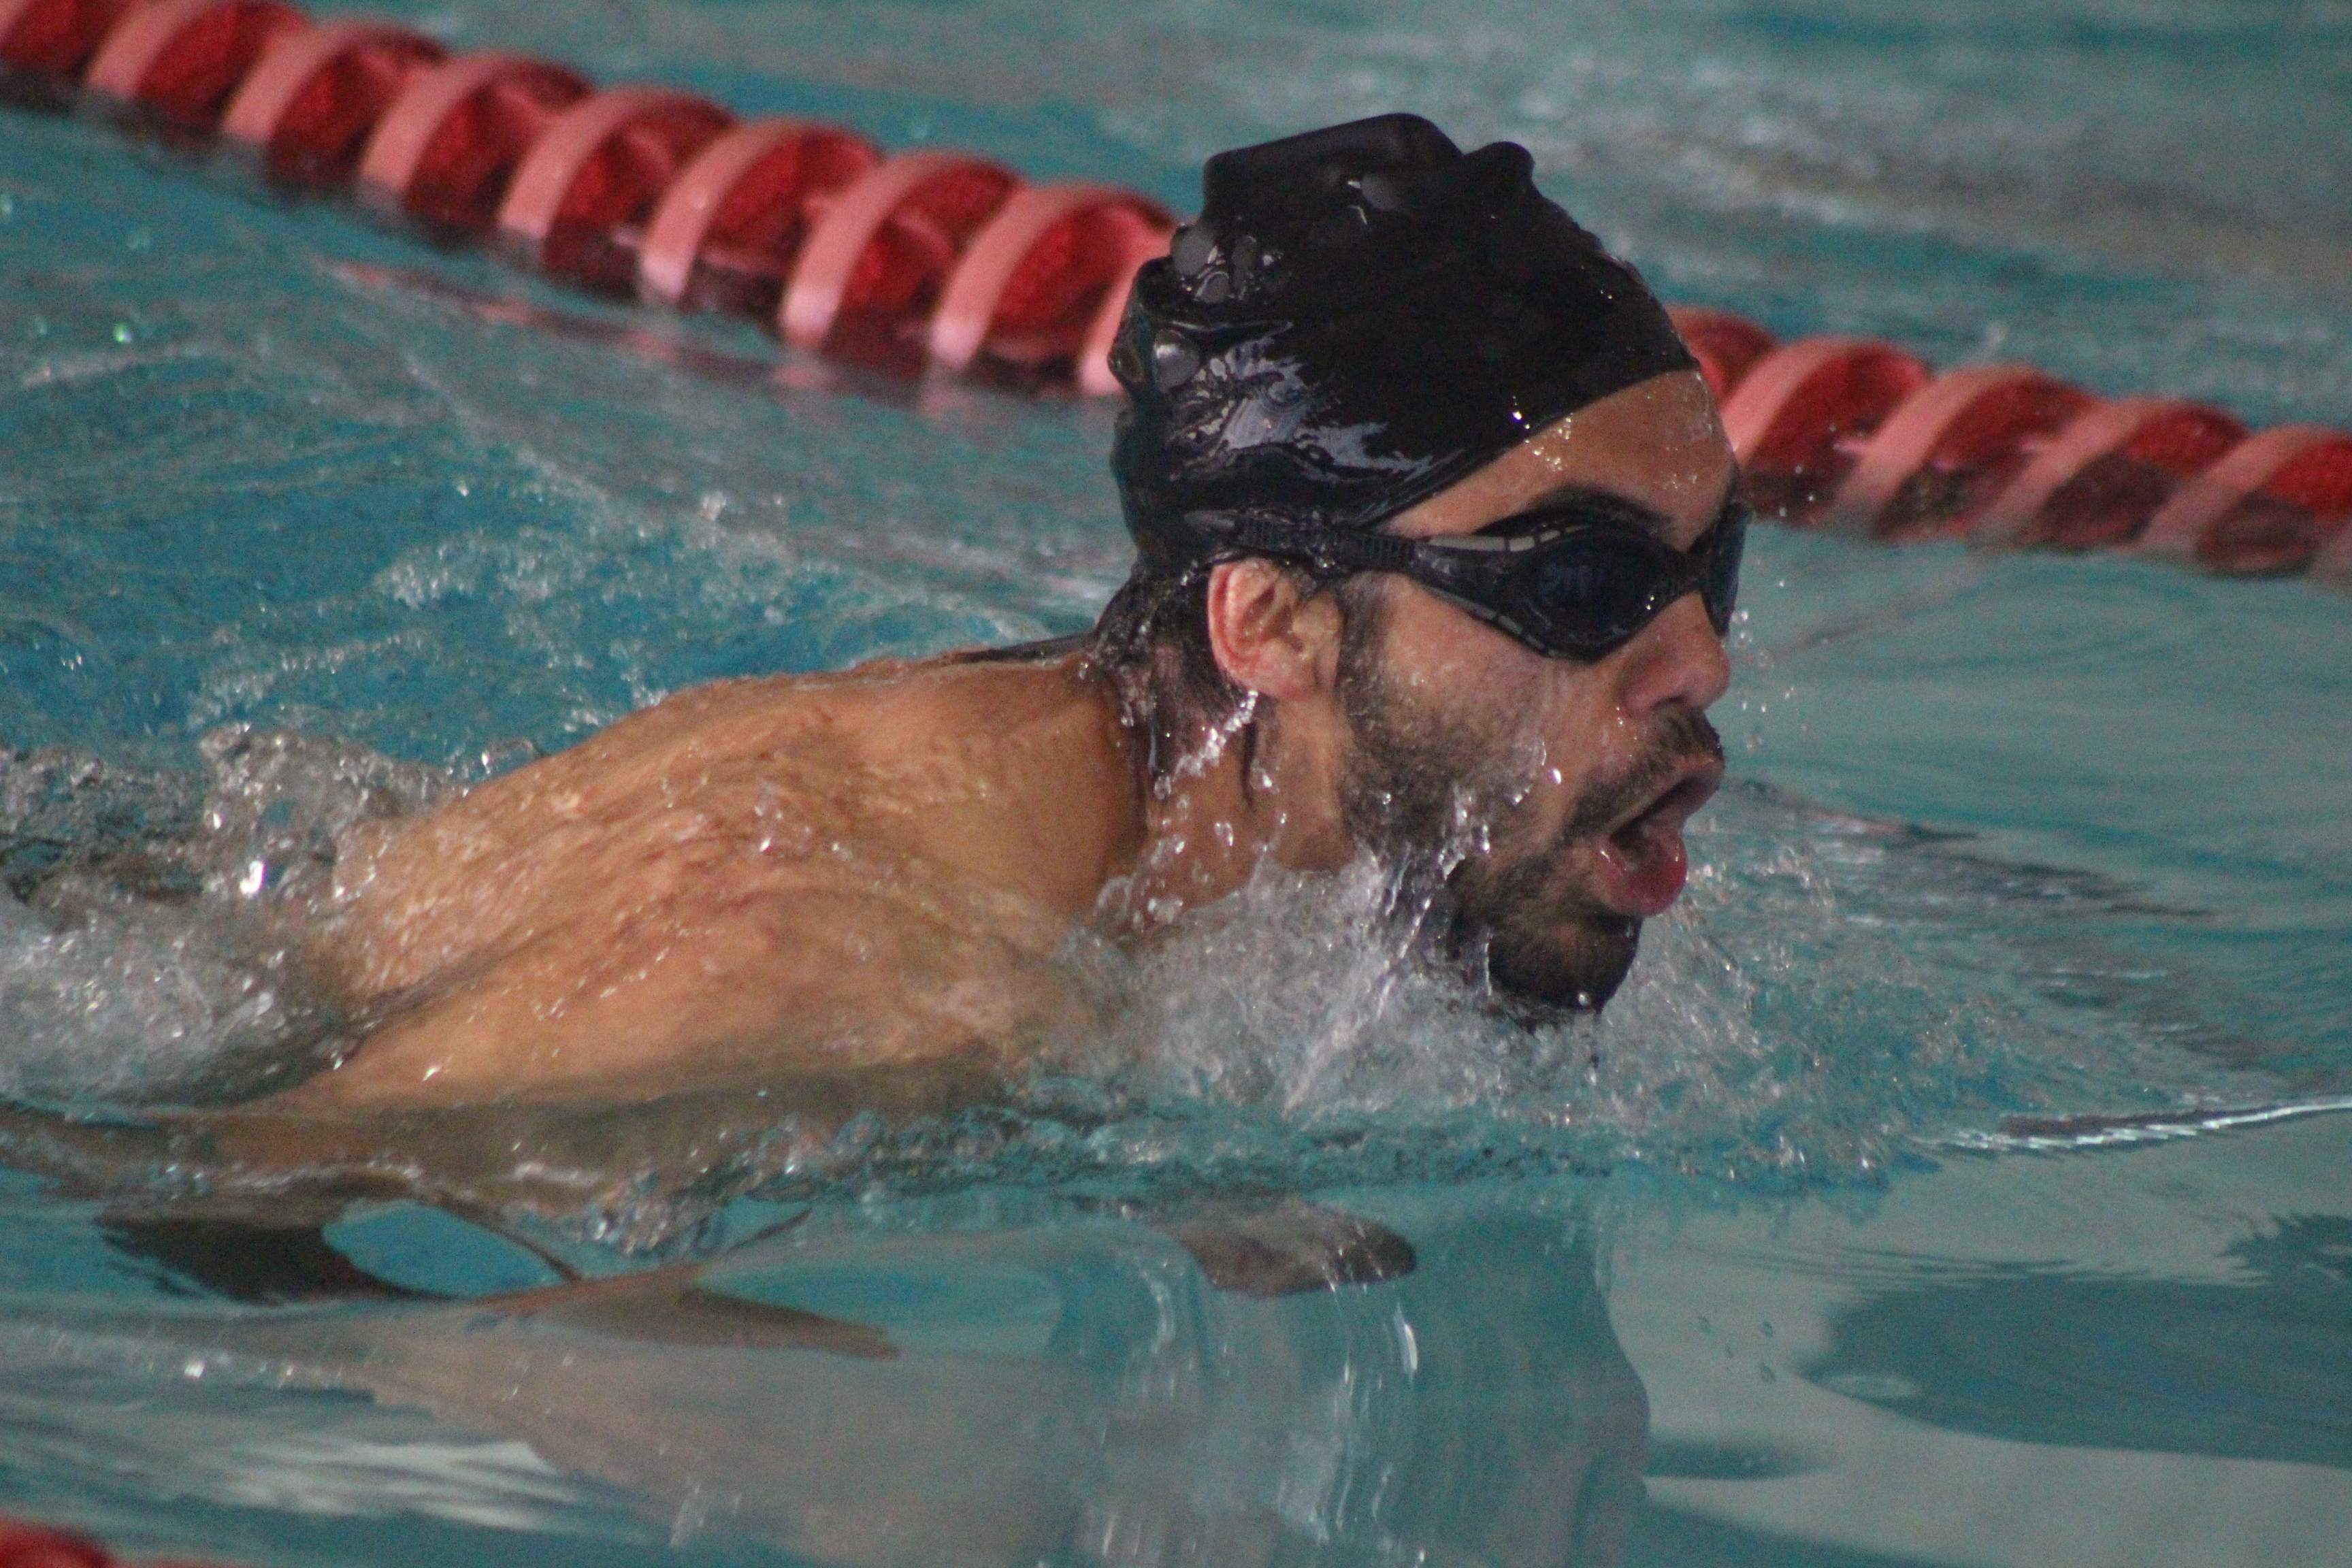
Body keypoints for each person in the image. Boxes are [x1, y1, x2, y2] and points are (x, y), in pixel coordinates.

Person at [242, 112, 1738, 1115]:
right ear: (1275, 625)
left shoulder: (1162, 842)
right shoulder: (857, 985)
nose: (1701, 663)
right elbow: (221, 1198)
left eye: (1710, 565)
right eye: (1583, 585)